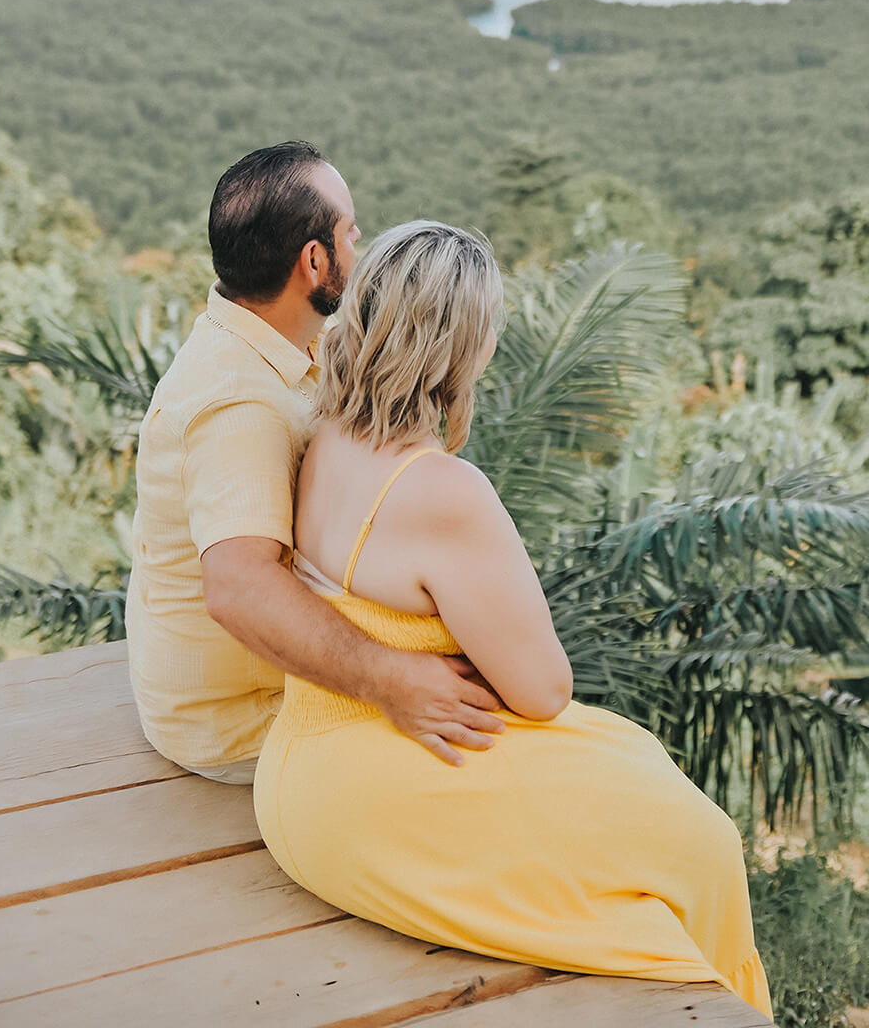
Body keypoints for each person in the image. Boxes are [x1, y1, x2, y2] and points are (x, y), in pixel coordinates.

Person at [253, 219, 771, 1016]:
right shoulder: (445, 492)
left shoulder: (319, 433)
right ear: (466, 348)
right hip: (374, 794)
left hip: (299, 771)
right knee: (701, 844)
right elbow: (542, 691)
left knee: (636, 780)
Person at [126, 143, 505, 782]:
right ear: (315, 260)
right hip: (242, 721)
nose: (359, 250)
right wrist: (393, 680)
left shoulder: (282, 339)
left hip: (274, 685)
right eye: (351, 235)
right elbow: (241, 588)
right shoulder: (238, 401)